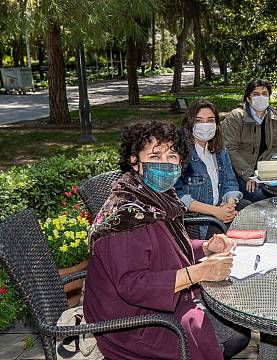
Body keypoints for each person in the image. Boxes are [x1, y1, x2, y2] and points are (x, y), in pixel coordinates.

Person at [83, 121, 250, 360]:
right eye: (154, 154)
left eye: (172, 155)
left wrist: (205, 247)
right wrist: (198, 273)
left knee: (235, 321)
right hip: (131, 324)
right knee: (229, 330)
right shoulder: (126, 215)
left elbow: (166, 251)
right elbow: (132, 285)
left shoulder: (158, 197)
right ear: (134, 161)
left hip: (157, 304)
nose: (165, 162)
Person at [175, 100, 251, 239]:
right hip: (199, 221)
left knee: (251, 213)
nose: (205, 125)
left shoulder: (220, 150)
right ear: (190, 123)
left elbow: (230, 181)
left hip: (222, 211)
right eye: (199, 120)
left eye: (210, 120)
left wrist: (230, 203)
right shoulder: (180, 153)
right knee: (234, 239)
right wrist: (216, 212)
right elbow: (177, 197)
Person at [222, 79, 277, 202]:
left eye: (265, 94)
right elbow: (230, 149)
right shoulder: (236, 117)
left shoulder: (274, 118)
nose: (261, 97)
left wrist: (268, 174)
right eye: (256, 94)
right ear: (248, 98)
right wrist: (250, 175)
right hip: (239, 174)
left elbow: (276, 148)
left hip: (264, 174)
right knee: (260, 197)